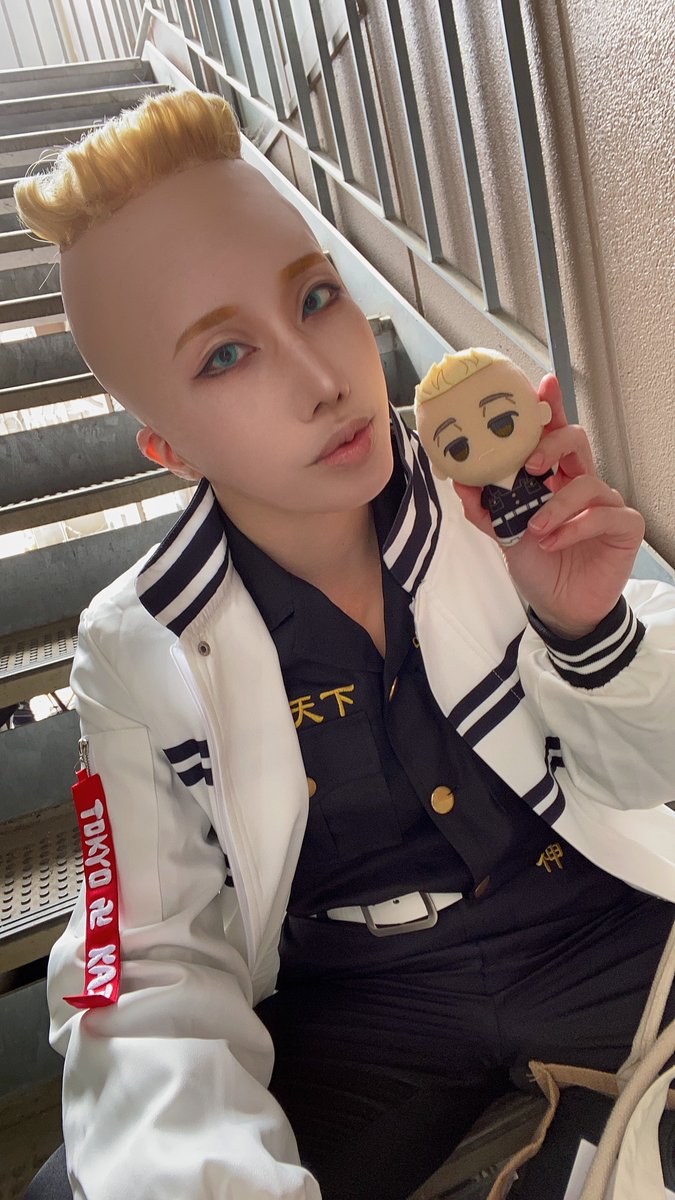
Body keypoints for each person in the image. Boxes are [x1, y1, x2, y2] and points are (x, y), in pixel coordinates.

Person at [15, 89, 675, 1200]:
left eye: (316, 297)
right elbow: (138, 953)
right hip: (365, 1005)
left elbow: (652, 773)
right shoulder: (134, 648)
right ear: (169, 448)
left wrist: (588, 627)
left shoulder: (497, 500)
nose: (324, 378)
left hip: (597, 922)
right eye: (227, 355)